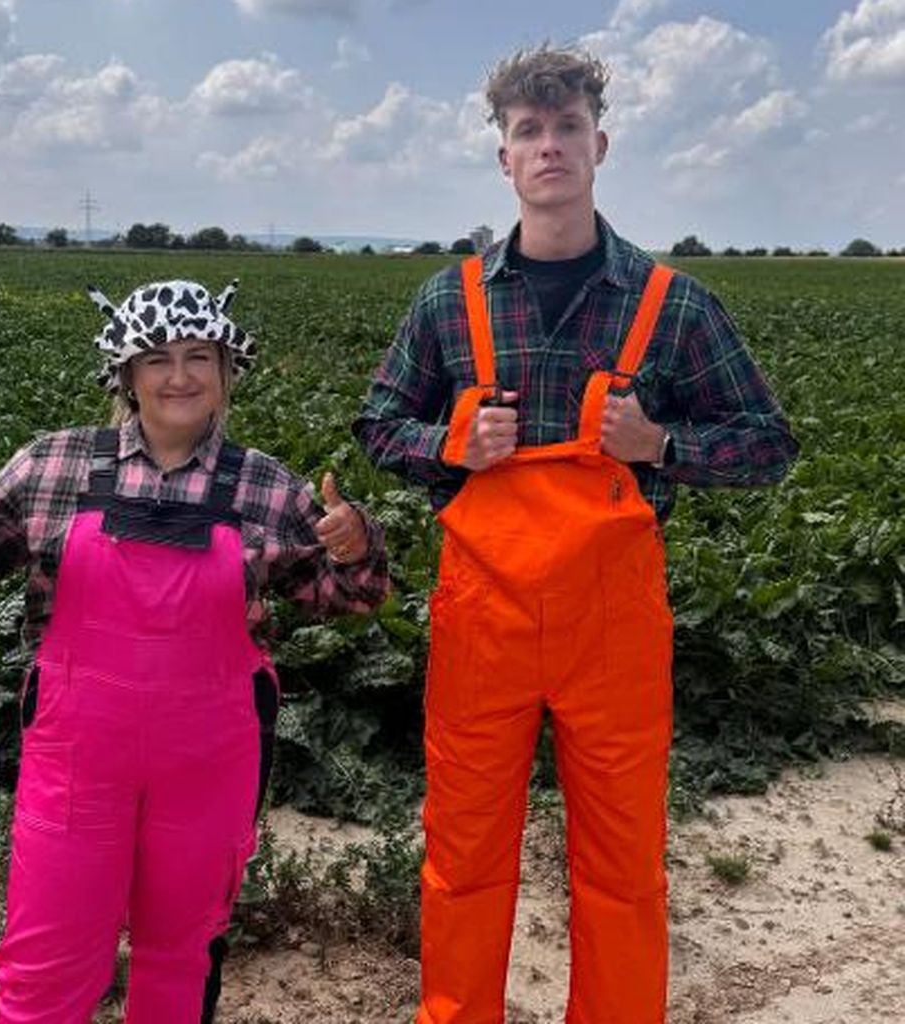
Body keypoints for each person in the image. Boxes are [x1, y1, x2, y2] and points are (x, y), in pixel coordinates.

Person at [353, 45, 799, 1024]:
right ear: (504, 158)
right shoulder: (448, 301)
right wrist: (450, 443)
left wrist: (662, 442)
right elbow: (378, 427)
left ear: (597, 145)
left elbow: (768, 443)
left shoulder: (669, 306)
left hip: (613, 632)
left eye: (565, 129)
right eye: (527, 131)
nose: (548, 146)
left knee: (622, 867)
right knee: (463, 859)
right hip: (483, 626)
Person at [0, 278, 389, 1024]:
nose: (180, 376)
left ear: (227, 372)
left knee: (182, 954)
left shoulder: (266, 487)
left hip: (209, 762)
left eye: (201, 356)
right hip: (75, 761)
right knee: (47, 960)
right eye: (157, 357)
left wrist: (356, 547)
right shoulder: (54, 466)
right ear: (126, 375)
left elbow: (349, 597)